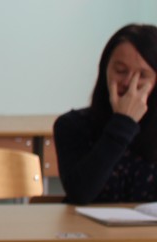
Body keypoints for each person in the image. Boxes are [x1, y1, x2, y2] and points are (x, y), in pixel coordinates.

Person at [54, 24, 157, 204]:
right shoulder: (72, 125)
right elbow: (80, 194)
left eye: (142, 75)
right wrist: (124, 122)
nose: (128, 83)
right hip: (85, 223)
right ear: (105, 71)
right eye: (120, 71)